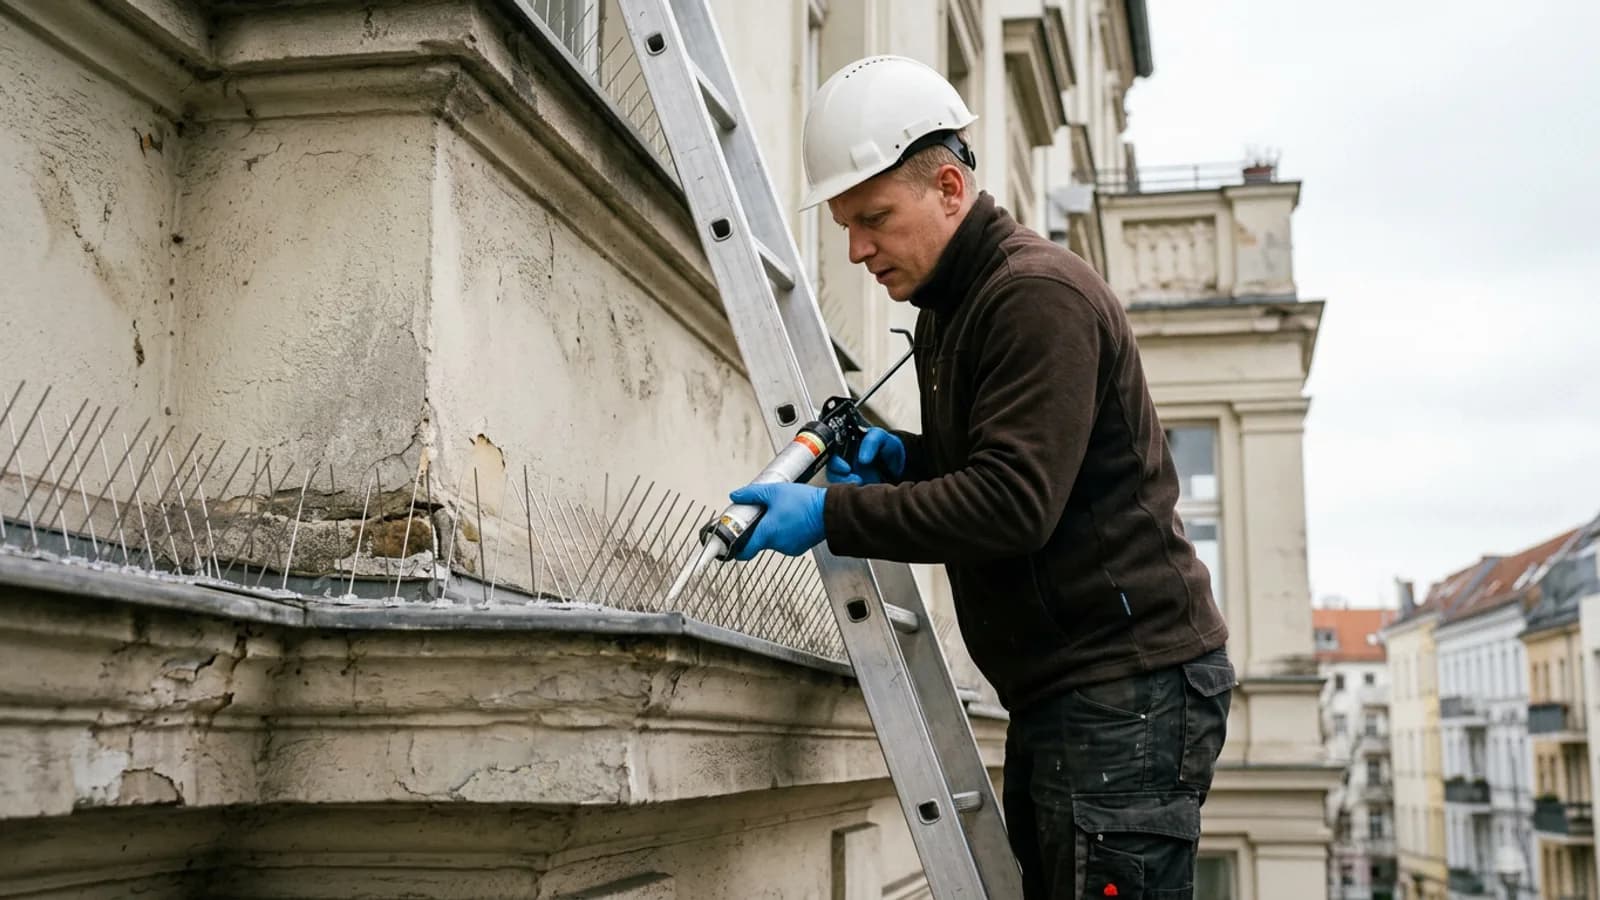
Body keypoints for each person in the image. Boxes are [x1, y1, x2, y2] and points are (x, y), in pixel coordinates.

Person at [725, 56, 1235, 899]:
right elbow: (1013, 470)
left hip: (1127, 689)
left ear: (951, 189)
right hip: (1076, 687)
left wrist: (832, 514)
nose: (856, 250)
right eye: (848, 225)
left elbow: (1013, 504)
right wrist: (905, 461)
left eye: (875, 219)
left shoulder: (1035, 298)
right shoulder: (956, 309)